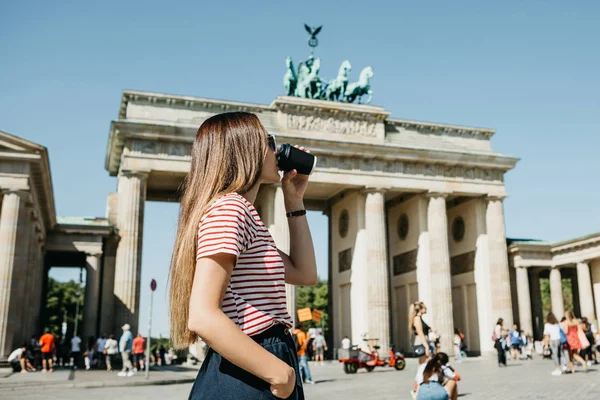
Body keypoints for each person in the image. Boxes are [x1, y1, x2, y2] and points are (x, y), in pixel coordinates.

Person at [168, 112, 317, 399]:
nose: (277, 150)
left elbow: (305, 273)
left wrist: (294, 202)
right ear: (246, 148)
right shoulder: (229, 209)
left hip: (258, 361)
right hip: (251, 365)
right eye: (270, 142)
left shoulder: (245, 214)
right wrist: (279, 373)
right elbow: (201, 315)